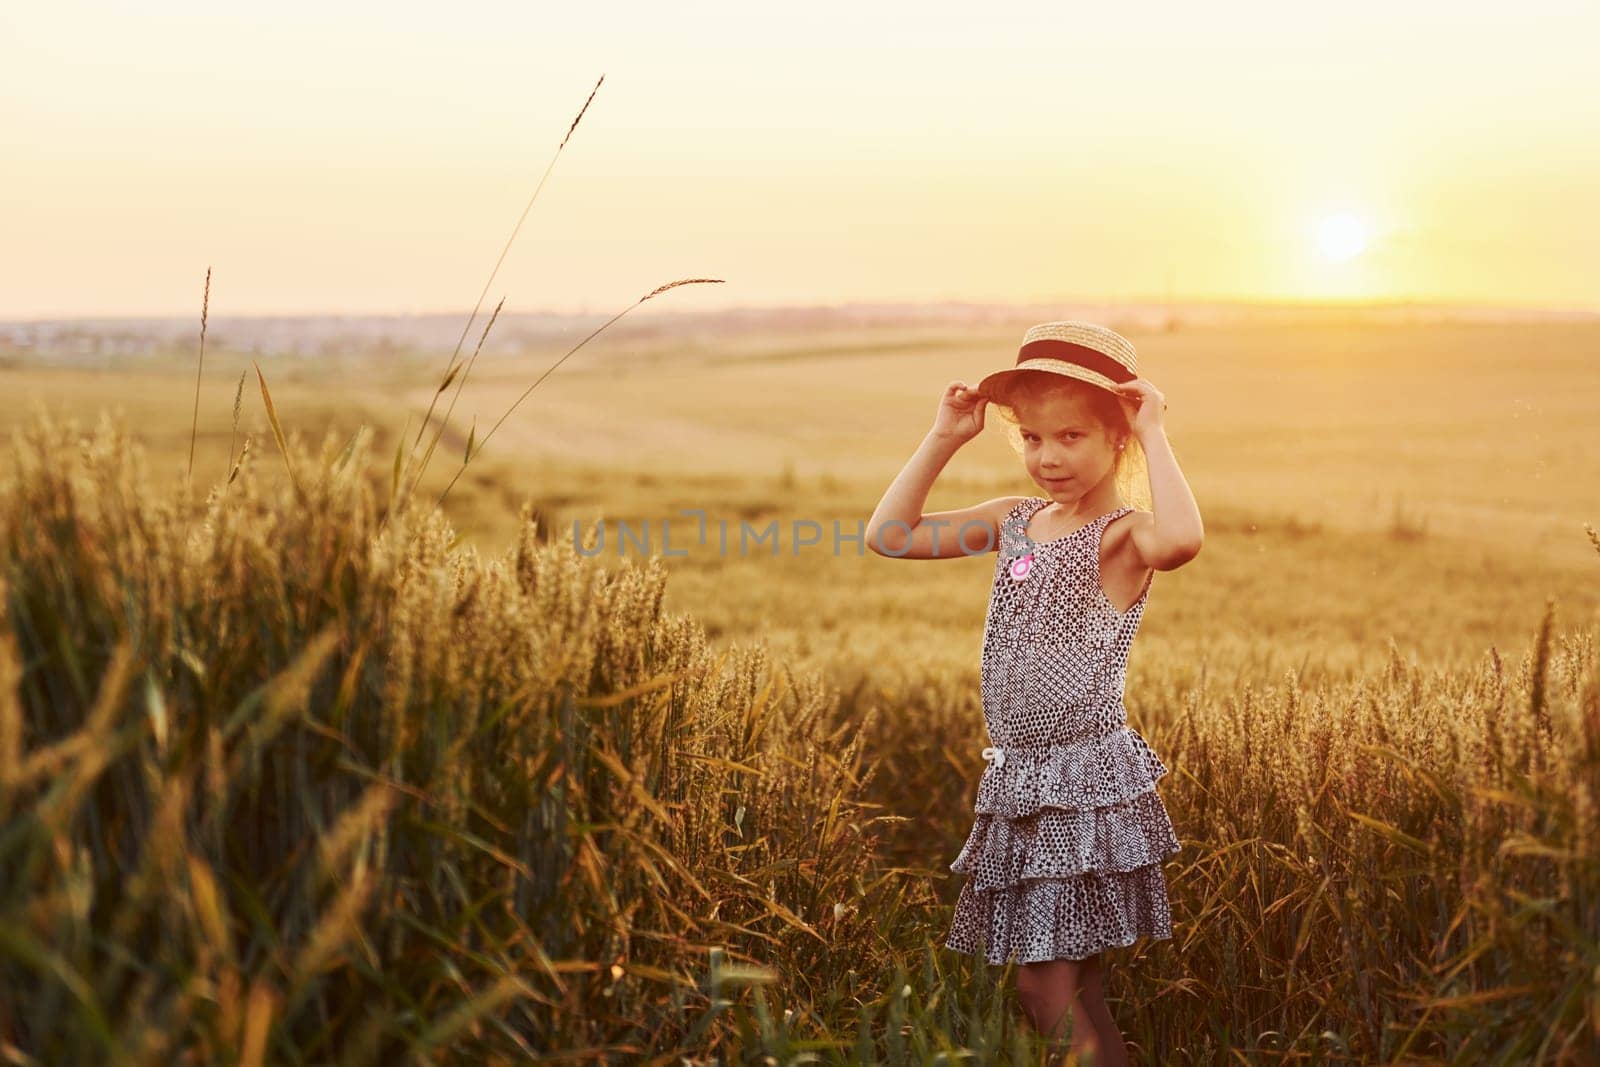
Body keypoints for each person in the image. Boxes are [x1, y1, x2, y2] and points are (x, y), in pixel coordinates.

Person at [866, 321, 1204, 1063]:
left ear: (1115, 437)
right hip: (1020, 780)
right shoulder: (1013, 521)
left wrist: (1154, 430)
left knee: (1042, 990)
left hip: (1081, 780)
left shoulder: (1123, 535)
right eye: (1031, 438)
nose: (1048, 457)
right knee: (1076, 993)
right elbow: (890, 535)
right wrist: (944, 436)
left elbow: (1181, 540)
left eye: (1072, 436)